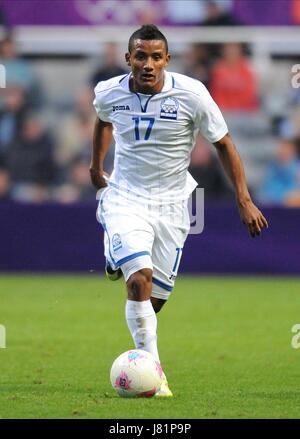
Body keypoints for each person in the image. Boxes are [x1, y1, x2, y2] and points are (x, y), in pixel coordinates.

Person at [90, 24, 268, 397]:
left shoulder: (192, 95)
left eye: (157, 57)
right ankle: (155, 376)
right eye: (141, 56)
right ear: (129, 60)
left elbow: (224, 143)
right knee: (138, 278)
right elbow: (104, 121)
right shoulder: (108, 92)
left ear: (167, 60)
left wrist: (243, 198)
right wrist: (96, 165)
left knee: (153, 301)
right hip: (125, 196)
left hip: (172, 204)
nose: (149, 64)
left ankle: (115, 257)